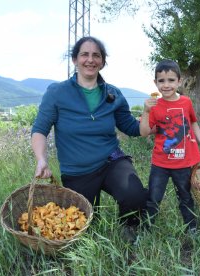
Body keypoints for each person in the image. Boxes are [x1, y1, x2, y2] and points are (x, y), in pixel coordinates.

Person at [31, 36, 148, 243]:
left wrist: (151, 116)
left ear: (102, 61)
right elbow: (40, 129)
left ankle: (129, 229)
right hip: (77, 171)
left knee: (135, 195)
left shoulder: (113, 93)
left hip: (111, 161)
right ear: (75, 59)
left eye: (96, 55)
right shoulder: (57, 92)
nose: (90, 60)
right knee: (84, 227)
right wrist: (41, 159)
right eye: (85, 54)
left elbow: (131, 127)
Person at [140, 59, 200, 235]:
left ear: (179, 81)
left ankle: (192, 228)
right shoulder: (154, 106)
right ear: (155, 83)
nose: (166, 85)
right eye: (161, 81)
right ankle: (146, 230)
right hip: (160, 164)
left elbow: (193, 123)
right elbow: (144, 132)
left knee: (186, 197)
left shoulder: (186, 102)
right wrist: (145, 111)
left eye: (171, 80)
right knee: (153, 198)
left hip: (183, 163)